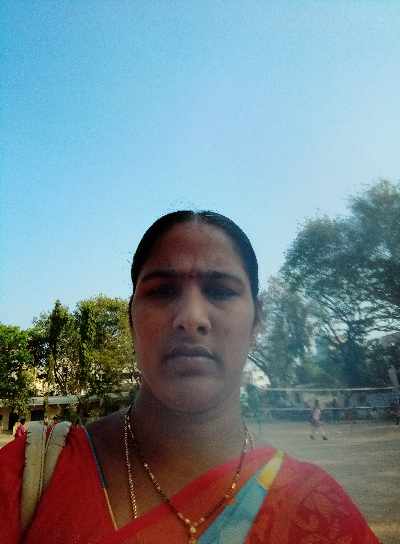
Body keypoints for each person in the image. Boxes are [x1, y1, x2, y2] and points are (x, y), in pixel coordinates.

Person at [0, 210, 379, 543]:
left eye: (221, 291)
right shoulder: (28, 475)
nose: (192, 318)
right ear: (131, 319)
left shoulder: (319, 512)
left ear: (257, 321)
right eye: (162, 291)